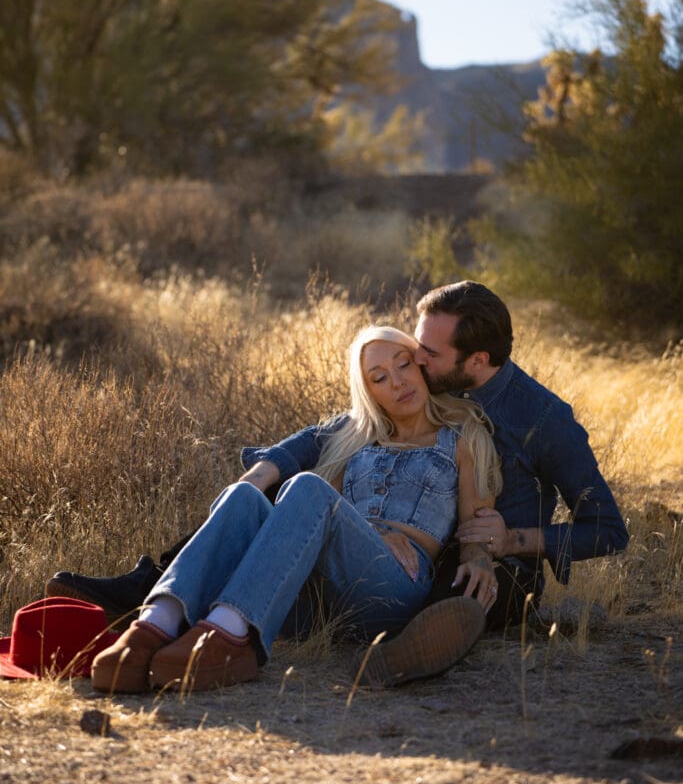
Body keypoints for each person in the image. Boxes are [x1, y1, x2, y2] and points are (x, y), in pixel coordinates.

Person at [51, 281, 629, 685]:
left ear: (475, 360)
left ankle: (385, 653)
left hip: (490, 567)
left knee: (447, 583)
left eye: (421, 355)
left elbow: (602, 529)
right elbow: (323, 434)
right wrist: (259, 473)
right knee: (258, 496)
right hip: (354, 567)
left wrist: (505, 545)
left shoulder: (524, 422)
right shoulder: (403, 405)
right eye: (394, 364)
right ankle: (156, 614)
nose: (412, 368)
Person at [90, 325, 502, 693]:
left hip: (391, 593)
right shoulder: (354, 442)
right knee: (243, 497)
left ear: (421, 368)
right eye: (379, 378)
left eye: (403, 365)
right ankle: (155, 625)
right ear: (369, 392)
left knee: (306, 487)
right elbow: (320, 519)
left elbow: (477, 521)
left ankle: (232, 637)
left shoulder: (461, 438)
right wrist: (372, 530)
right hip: (318, 604)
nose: (397, 382)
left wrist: (478, 558)